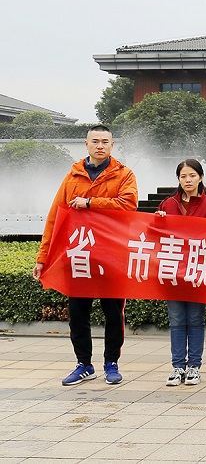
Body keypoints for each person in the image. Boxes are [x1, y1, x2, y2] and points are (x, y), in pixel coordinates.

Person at [35, 124, 138, 386]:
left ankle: (111, 363)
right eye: (95, 141)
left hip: (111, 256)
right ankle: (84, 364)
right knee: (78, 312)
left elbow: (128, 205)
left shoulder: (124, 175)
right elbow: (54, 218)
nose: (100, 146)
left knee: (113, 313)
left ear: (112, 145)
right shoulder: (72, 177)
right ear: (86, 144)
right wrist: (43, 257)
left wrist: (90, 202)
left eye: (105, 141)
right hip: (79, 256)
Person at [156, 159, 206, 387]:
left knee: (196, 319)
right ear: (178, 179)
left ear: (201, 177)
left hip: (199, 269)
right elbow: (154, 235)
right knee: (176, 319)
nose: (188, 180)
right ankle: (178, 366)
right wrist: (157, 222)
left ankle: (194, 367)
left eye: (192, 176)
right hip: (174, 270)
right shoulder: (168, 204)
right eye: (183, 176)